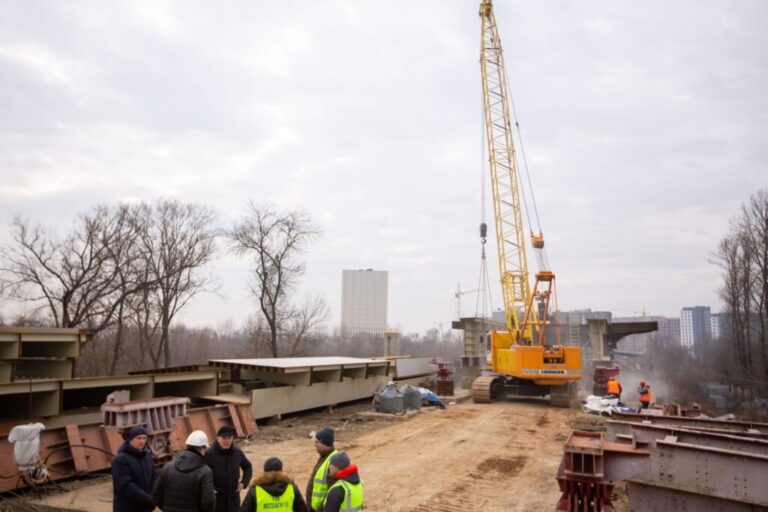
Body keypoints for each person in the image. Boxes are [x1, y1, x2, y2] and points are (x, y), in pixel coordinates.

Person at [153, 430, 216, 512]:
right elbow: (208, 502)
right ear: (202, 449)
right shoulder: (205, 472)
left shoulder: (167, 467)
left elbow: (156, 495)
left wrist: (166, 508)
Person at [205, 426, 253, 512]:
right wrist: (209, 488)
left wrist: (244, 482)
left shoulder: (237, 452)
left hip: (233, 500)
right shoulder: (209, 454)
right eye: (224, 438)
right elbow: (201, 474)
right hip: (216, 501)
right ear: (218, 438)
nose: (227, 441)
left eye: (229, 437)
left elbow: (248, 467)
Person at [112, 425, 157, 512]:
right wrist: (149, 500)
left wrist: (155, 495)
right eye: (138, 438)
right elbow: (126, 486)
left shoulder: (147, 456)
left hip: (145, 507)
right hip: (127, 507)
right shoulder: (121, 459)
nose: (142, 441)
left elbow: (154, 476)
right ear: (131, 439)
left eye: (144, 438)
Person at [239, 456, 308, 512]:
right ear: (281, 471)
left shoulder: (255, 490)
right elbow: (303, 509)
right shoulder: (292, 488)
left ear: (265, 472)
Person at [306, 428, 338, 512]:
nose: (314, 445)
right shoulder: (324, 457)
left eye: (317, 442)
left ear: (325, 444)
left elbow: (331, 493)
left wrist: (320, 510)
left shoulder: (333, 462)